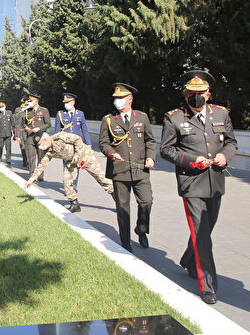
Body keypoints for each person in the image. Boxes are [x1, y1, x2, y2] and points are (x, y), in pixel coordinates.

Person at [160, 70, 237, 305]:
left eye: (201, 93)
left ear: (209, 94)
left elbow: (231, 142)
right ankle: (208, 286)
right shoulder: (174, 118)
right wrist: (191, 161)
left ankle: (188, 259)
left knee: (207, 227)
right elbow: (167, 150)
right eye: (191, 93)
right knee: (202, 233)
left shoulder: (221, 114)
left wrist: (225, 156)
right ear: (185, 94)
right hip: (191, 182)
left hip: (215, 180)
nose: (196, 97)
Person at [98, 83, 157, 251]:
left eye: (120, 98)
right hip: (119, 169)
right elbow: (103, 143)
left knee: (146, 201)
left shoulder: (142, 117)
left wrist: (151, 157)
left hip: (140, 168)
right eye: (115, 98)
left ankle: (141, 229)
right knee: (123, 207)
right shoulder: (108, 120)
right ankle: (125, 240)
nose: (117, 101)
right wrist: (111, 154)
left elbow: (150, 141)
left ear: (130, 99)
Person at [24, 132, 113, 211]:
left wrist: (77, 155)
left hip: (85, 155)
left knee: (101, 178)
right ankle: (74, 203)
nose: (41, 147)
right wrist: (32, 179)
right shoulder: (49, 151)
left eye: (41, 144)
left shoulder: (60, 137)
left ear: (46, 139)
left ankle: (117, 197)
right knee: (67, 180)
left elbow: (77, 139)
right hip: (72, 161)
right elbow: (42, 164)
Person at [54, 93, 91, 188]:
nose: (66, 104)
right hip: (65, 145)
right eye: (65, 102)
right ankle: (68, 184)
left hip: (77, 145)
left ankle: (74, 184)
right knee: (67, 165)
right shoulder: (60, 114)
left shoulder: (80, 114)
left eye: (68, 102)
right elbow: (57, 131)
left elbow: (85, 130)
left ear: (73, 102)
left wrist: (88, 144)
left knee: (76, 164)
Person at [22, 92, 51, 182]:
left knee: (41, 157)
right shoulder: (28, 111)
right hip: (30, 137)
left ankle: (40, 175)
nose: (30, 102)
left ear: (36, 101)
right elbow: (23, 123)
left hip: (40, 137)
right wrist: (26, 128)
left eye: (31, 101)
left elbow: (48, 124)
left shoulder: (43, 110)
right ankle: (31, 175)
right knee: (31, 157)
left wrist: (39, 128)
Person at [12, 97, 30, 169]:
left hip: (30, 132)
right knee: (23, 147)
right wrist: (17, 135)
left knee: (29, 148)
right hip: (22, 132)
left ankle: (28, 161)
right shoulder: (19, 111)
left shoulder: (30, 110)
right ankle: (26, 161)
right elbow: (17, 124)